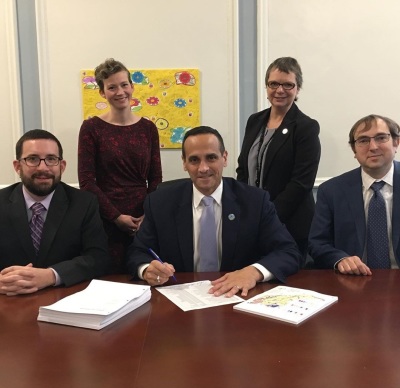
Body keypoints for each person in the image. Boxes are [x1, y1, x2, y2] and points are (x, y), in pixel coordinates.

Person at [126, 126, 301, 297]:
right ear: (184, 163)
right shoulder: (160, 202)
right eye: (194, 160)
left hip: (236, 297)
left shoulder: (255, 201)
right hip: (180, 300)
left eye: (211, 158)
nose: (203, 168)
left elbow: (288, 251)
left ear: (224, 158)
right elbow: (138, 252)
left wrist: (253, 272)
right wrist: (146, 269)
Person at [0, 129, 110, 295]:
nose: (43, 167)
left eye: (51, 159)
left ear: (62, 166)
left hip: (64, 298)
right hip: (8, 300)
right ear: (17, 166)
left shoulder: (84, 203)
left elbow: (98, 258)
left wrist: (51, 275)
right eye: (32, 159)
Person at [78, 58, 162, 273]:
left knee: (146, 273)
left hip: (144, 218)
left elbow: (155, 178)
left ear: (132, 87)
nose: (120, 91)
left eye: (124, 84)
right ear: (102, 93)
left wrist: (148, 214)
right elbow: (87, 181)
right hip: (106, 219)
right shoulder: (91, 128)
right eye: (112, 87)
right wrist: (116, 217)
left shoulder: (148, 128)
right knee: (109, 278)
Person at [236, 57, 320, 266]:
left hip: (290, 224)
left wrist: (268, 217)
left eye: (287, 84)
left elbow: (301, 183)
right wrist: (244, 207)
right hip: (253, 221)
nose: (279, 90)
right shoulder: (254, 121)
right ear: (267, 86)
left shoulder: (306, 127)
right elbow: (243, 168)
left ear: (297, 89)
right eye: (274, 84)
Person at [309, 114, 400, 275]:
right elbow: (317, 243)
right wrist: (340, 259)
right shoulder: (331, 191)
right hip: (354, 280)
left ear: (396, 142)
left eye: (381, 138)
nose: (373, 147)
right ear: (354, 150)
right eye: (363, 140)